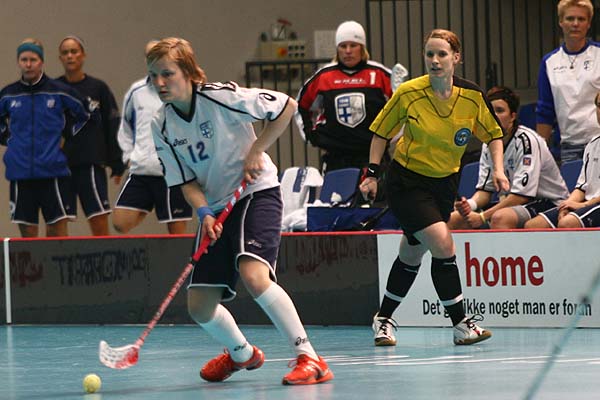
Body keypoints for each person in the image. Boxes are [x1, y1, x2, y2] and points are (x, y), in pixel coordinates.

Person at [147, 37, 333, 385]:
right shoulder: (161, 124)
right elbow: (186, 180)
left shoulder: (221, 97)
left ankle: (310, 357)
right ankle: (242, 353)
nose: (159, 83)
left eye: (167, 74)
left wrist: (257, 150)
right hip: (216, 208)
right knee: (199, 306)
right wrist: (204, 212)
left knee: (254, 275)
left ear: (188, 72)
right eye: (153, 76)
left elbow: (287, 106)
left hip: (255, 192)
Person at [360, 29, 509, 347]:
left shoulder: (471, 96)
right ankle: (461, 324)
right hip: (407, 182)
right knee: (443, 243)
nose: (435, 60)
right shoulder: (409, 93)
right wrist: (372, 174)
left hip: (444, 185)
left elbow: (494, 134)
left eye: (442, 54)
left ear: (456, 57)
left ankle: (383, 319)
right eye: (430, 54)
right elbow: (380, 134)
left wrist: (498, 169)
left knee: (411, 254)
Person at [0, 38, 89, 238]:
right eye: (24, 60)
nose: (28, 64)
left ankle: (59, 261)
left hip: (53, 172)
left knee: (56, 233)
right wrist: (9, 140)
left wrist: (67, 137)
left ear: (41, 62)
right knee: (28, 235)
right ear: (18, 62)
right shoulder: (8, 94)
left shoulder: (59, 90)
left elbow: (87, 114)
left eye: (33, 59)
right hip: (20, 174)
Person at [449, 86, 569, 230]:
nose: (494, 116)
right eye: (490, 111)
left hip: (549, 203)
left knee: (501, 217)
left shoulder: (527, 141)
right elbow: (485, 191)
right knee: (455, 218)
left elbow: (521, 196)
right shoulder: (488, 143)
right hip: (517, 203)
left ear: (512, 116)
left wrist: (482, 217)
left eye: (500, 111)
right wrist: (469, 205)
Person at [113, 40, 192, 234]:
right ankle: (149, 204)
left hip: (172, 173)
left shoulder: (180, 89)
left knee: (176, 233)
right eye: (150, 58)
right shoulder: (136, 91)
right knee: (120, 223)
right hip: (142, 170)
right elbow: (126, 126)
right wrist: (129, 157)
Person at [295, 20, 393, 175]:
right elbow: (300, 106)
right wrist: (311, 135)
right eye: (343, 46)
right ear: (337, 49)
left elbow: (402, 106)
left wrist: (390, 137)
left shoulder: (380, 74)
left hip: (373, 157)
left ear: (362, 47)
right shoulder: (324, 76)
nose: (348, 51)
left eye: (353, 45)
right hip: (336, 158)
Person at [57, 35, 125, 236]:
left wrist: (117, 162)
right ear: (60, 58)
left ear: (83, 55)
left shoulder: (98, 88)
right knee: (58, 220)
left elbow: (112, 124)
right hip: (60, 165)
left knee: (98, 218)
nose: (70, 56)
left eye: (74, 51)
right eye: (65, 53)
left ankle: (104, 257)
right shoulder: (53, 89)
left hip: (91, 163)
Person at [536, 0, 600, 162]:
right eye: (570, 18)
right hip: (569, 146)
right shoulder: (549, 62)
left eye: (581, 19)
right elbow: (545, 110)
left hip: (598, 140)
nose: (575, 24)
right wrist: (539, 153)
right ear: (561, 22)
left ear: (589, 23)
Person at [526, 91, 600, 229]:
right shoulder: (593, 144)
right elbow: (581, 188)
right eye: (599, 105)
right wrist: (566, 206)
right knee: (534, 226)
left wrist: (583, 205)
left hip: (593, 204)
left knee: (568, 223)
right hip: (589, 202)